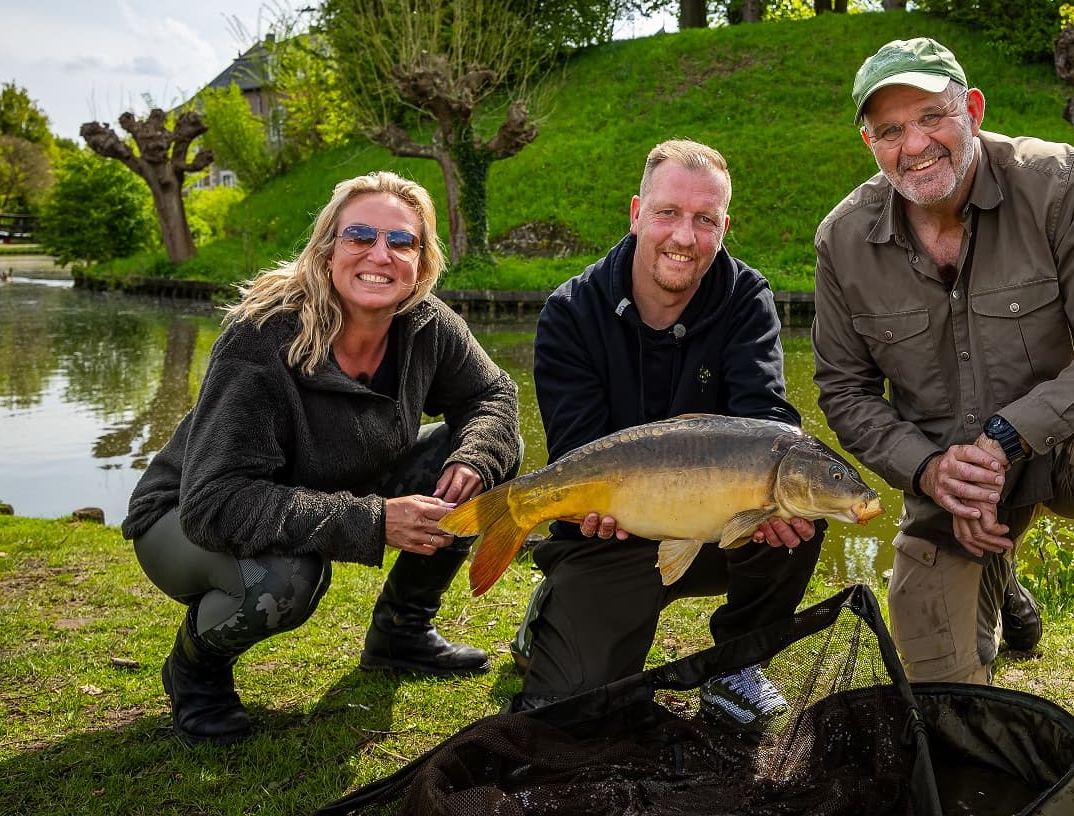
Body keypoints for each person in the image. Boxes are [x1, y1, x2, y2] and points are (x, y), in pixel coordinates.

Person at [812, 38, 1074, 815]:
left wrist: (1003, 437)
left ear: (972, 109)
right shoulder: (842, 239)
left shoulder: (1057, 182)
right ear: (869, 143)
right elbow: (845, 390)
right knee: (948, 716)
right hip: (950, 483)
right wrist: (930, 471)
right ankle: (1003, 583)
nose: (914, 144)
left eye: (931, 116)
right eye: (888, 130)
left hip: (1065, 449)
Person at [122, 171, 522, 746]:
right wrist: (375, 520)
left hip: (317, 491)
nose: (379, 255)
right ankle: (196, 672)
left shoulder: (427, 323)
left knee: (489, 462)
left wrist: (476, 459)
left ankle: (401, 634)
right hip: (185, 518)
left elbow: (495, 396)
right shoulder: (261, 338)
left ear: (423, 260)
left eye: (401, 241)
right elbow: (217, 503)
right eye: (359, 235)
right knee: (285, 579)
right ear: (327, 249)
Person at [511, 139, 821, 729]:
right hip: (614, 531)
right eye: (667, 214)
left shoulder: (746, 299)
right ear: (636, 213)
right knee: (576, 708)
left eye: (705, 220)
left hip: (719, 526)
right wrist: (586, 510)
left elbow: (767, 416)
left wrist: (779, 487)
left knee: (799, 515)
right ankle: (555, 606)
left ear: (724, 227)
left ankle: (737, 661)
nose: (685, 236)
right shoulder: (569, 312)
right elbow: (576, 450)